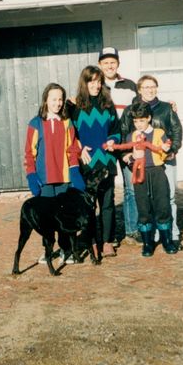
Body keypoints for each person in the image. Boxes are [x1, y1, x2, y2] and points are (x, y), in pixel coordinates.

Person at [24, 82, 85, 264]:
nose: (57, 103)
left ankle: (66, 250)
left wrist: (74, 172)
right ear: (46, 100)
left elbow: (73, 149)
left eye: (60, 99)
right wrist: (31, 176)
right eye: (53, 99)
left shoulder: (67, 123)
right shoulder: (35, 124)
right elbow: (29, 152)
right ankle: (48, 251)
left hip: (64, 179)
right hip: (44, 181)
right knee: (47, 220)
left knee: (65, 217)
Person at [121, 75, 183, 249]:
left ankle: (172, 235)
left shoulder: (166, 108)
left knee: (167, 198)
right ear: (139, 89)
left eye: (153, 86)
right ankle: (151, 237)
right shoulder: (131, 111)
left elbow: (176, 131)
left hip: (164, 160)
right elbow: (124, 133)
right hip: (142, 163)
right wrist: (128, 156)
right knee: (143, 201)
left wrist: (171, 150)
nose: (150, 90)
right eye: (146, 87)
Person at [67, 65, 121, 258]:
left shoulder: (108, 103)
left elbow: (116, 129)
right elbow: (69, 135)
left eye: (99, 81)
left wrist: (113, 140)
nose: (96, 85)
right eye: (92, 81)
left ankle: (107, 241)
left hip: (106, 162)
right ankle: (91, 241)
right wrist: (79, 148)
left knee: (107, 203)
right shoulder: (74, 107)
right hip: (86, 164)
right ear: (85, 82)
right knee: (88, 206)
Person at [97, 47, 142, 246]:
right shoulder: (95, 85)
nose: (109, 65)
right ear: (100, 65)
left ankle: (132, 230)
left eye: (112, 61)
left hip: (126, 144)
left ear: (118, 63)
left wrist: (169, 104)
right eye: (105, 62)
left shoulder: (130, 85)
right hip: (104, 145)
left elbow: (142, 110)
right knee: (105, 192)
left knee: (131, 187)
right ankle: (109, 234)